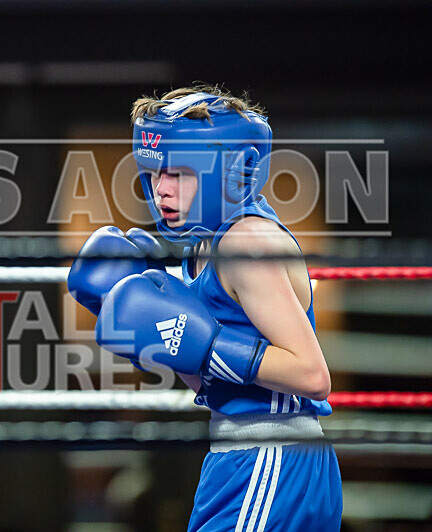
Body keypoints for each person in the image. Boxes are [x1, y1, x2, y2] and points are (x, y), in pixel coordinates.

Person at [68, 86, 342, 531]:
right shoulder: (203, 246)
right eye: (156, 173)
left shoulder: (246, 242)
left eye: (179, 174)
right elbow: (207, 377)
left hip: (273, 458)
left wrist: (211, 343)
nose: (161, 190)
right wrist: (158, 334)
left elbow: (312, 376)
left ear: (230, 173)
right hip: (239, 454)